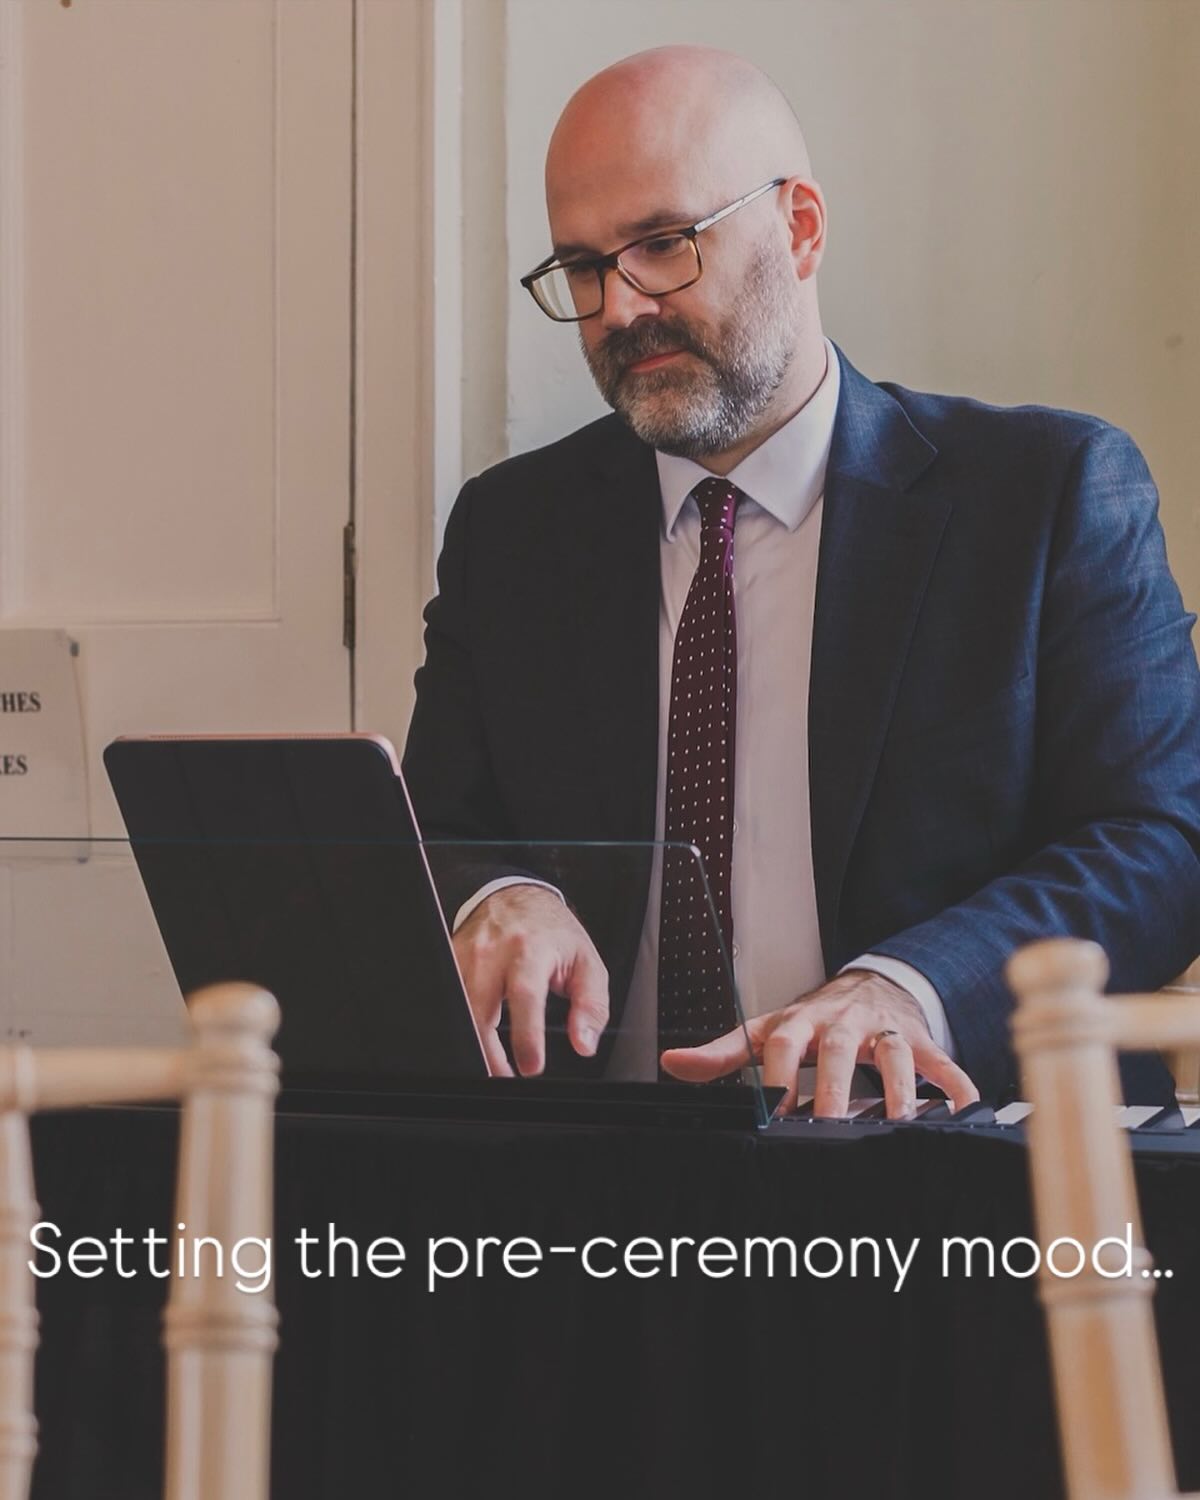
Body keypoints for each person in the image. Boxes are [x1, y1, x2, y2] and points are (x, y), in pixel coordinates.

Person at [402, 44, 1200, 1114]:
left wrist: (909, 989)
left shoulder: (1047, 495)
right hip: (588, 1175)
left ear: (801, 227)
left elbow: (1159, 843)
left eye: (664, 244)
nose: (620, 308)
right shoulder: (511, 531)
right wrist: (497, 896)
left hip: (953, 1164)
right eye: (584, 268)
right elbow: (430, 828)